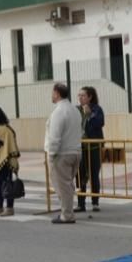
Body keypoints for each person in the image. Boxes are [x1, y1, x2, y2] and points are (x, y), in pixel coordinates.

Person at [45, 83, 83, 224]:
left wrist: (52, 153)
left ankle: (66, 214)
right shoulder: (74, 110)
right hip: (76, 151)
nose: (51, 95)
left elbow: (55, 136)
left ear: (57, 93)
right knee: (68, 184)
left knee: (62, 185)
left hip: (62, 153)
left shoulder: (59, 112)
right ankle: (67, 211)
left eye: (52, 92)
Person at [76, 86, 105, 213]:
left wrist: (90, 115)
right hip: (81, 148)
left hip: (93, 147)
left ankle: (95, 202)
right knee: (81, 175)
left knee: (94, 174)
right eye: (79, 95)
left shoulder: (96, 109)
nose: (80, 98)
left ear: (90, 97)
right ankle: (81, 204)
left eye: (83, 95)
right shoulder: (76, 110)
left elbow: (99, 123)